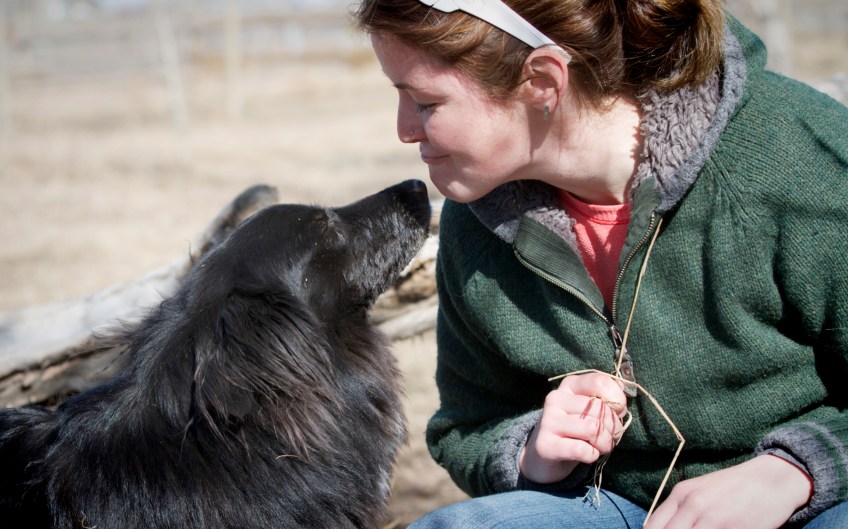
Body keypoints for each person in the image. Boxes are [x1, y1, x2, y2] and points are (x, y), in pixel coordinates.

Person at [355, 0, 848, 527]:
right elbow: (468, 424)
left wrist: (796, 470)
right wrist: (533, 451)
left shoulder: (797, 160)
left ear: (543, 81)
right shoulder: (478, 219)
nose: (405, 130)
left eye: (426, 102)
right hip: (613, 505)